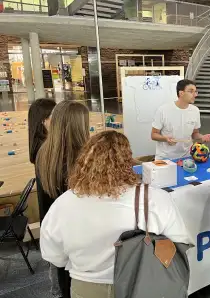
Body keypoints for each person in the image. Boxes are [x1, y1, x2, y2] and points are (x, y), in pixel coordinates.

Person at [40, 131, 193, 298]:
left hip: (86, 287)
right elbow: (180, 241)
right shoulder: (154, 198)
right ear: (127, 160)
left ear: (84, 160)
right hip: (142, 284)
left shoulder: (64, 202)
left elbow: (54, 256)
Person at [36, 100, 90, 298]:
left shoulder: (45, 152)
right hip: (80, 236)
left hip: (56, 233)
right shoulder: (82, 157)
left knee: (64, 280)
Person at [27, 98, 58, 297]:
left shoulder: (44, 144)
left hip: (51, 208)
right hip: (52, 209)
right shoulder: (45, 148)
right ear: (43, 120)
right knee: (56, 261)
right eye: (54, 116)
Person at [151, 79, 210, 159]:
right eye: (191, 91)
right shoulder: (163, 110)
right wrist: (165, 139)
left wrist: (202, 137)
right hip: (165, 158)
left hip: (187, 157)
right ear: (181, 93)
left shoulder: (195, 110)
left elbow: (194, 134)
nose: (195, 95)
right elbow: (153, 135)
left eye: (195, 92)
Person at [28, 98, 56, 164]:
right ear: (43, 120)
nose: (59, 118)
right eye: (55, 115)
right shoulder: (46, 149)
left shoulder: (39, 144)